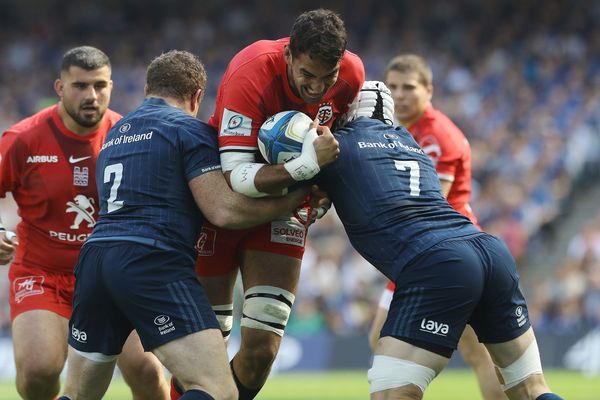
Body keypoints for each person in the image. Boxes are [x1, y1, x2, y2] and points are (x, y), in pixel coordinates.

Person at [57, 50, 337, 400]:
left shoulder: (114, 136)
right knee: (217, 391)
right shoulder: (189, 130)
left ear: (148, 89)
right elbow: (224, 212)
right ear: (197, 95)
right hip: (151, 260)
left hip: (95, 261)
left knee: (78, 394)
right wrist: (296, 197)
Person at [311, 81, 563, 400]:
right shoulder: (410, 142)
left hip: (438, 262)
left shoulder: (337, 144)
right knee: (531, 389)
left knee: (393, 393)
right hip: (487, 250)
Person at [190, 8, 364, 400]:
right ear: (289, 55)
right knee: (206, 349)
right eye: (307, 75)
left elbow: (339, 147)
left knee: (262, 352)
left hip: (285, 211)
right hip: (222, 210)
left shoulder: (353, 76)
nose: (318, 88)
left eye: (328, 77)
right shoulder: (249, 71)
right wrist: (307, 169)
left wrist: (326, 189)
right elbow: (237, 176)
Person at [0, 46, 168, 400]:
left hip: (113, 274)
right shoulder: (23, 139)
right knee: (37, 372)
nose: (91, 95)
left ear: (111, 85)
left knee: (148, 373)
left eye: (99, 85)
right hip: (42, 274)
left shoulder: (128, 136)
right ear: (60, 87)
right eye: (80, 86)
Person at [366, 54, 507, 399]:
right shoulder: (399, 129)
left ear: (429, 90)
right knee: (379, 337)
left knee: (480, 353)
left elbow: (427, 204)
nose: (399, 95)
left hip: (444, 248)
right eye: (393, 87)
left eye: (409, 88)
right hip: (420, 250)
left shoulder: (436, 136)